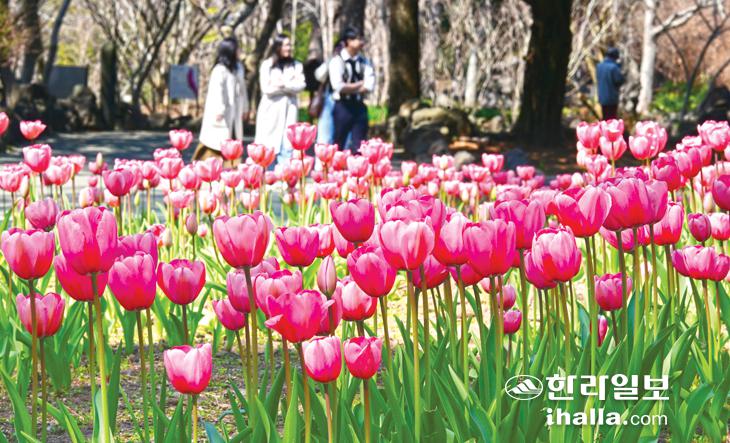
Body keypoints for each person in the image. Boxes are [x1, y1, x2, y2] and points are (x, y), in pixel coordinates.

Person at [255, 34, 306, 166]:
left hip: (290, 109)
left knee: (287, 146)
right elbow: (267, 89)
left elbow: (301, 85)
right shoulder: (267, 65)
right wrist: (290, 86)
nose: (288, 48)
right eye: (285, 45)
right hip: (271, 110)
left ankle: (284, 175)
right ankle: (269, 174)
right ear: (277, 47)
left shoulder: (296, 65)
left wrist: (282, 85)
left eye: (289, 45)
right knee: (268, 148)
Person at [197, 37, 249, 161]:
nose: (239, 51)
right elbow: (217, 92)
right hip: (221, 113)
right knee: (217, 142)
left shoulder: (238, 68)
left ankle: (232, 166)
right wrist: (219, 110)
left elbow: (242, 89)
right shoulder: (219, 70)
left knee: (233, 140)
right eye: (237, 49)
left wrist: (245, 108)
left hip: (235, 111)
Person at [329, 27, 375, 150]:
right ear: (349, 41)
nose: (362, 42)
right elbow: (338, 86)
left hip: (359, 106)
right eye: (358, 39)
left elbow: (369, 85)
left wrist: (349, 87)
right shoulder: (337, 61)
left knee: (360, 146)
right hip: (342, 107)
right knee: (338, 144)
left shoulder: (365, 62)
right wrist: (359, 84)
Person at [313, 40, 345, 145]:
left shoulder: (350, 63)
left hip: (345, 103)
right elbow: (318, 75)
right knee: (324, 136)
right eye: (339, 48)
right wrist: (331, 60)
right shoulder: (332, 61)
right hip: (330, 100)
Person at [596, 47, 624, 120]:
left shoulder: (599, 66)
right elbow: (619, 81)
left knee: (605, 117)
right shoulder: (614, 67)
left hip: (602, 97)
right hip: (612, 98)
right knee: (611, 119)